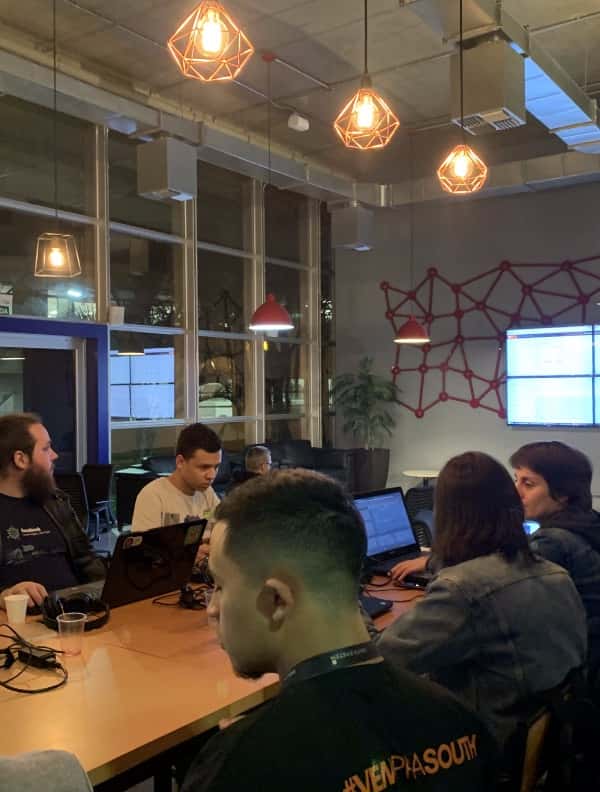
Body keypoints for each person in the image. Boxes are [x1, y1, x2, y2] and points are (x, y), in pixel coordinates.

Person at [182, 469, 497, 792]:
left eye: (219, 586)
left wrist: (246, 747)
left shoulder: (242, 768)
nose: (212, 608)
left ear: (276, 600)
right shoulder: (462, 723)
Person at [376, 451, 587, 750]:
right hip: (543, 743)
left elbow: (379, 660)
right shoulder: (555, 574)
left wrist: (350, 604)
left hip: (478, 746)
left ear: (447, 515)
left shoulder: (462, 590)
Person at [511, 441, 600, 679]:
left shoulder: (552, 542)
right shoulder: (588, 521)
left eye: (528, 484)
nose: (516, 492)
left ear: (562, 494)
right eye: (516, 480)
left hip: (577, 671)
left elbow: (513, 606)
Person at [0, 413, 105, 610]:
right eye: (46, 449)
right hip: (24, 620)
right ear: (21, 459)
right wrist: (5, 596)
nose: (54, 455)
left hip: (79, 611)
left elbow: (87, 561)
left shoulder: (56, 502)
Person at [131, 423, 221, 532]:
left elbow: (220, 532)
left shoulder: (208, 493)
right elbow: (146, 543)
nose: (212, 475)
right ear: (180, 462)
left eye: (216, 467)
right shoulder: (153, 496)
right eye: (204, 467)